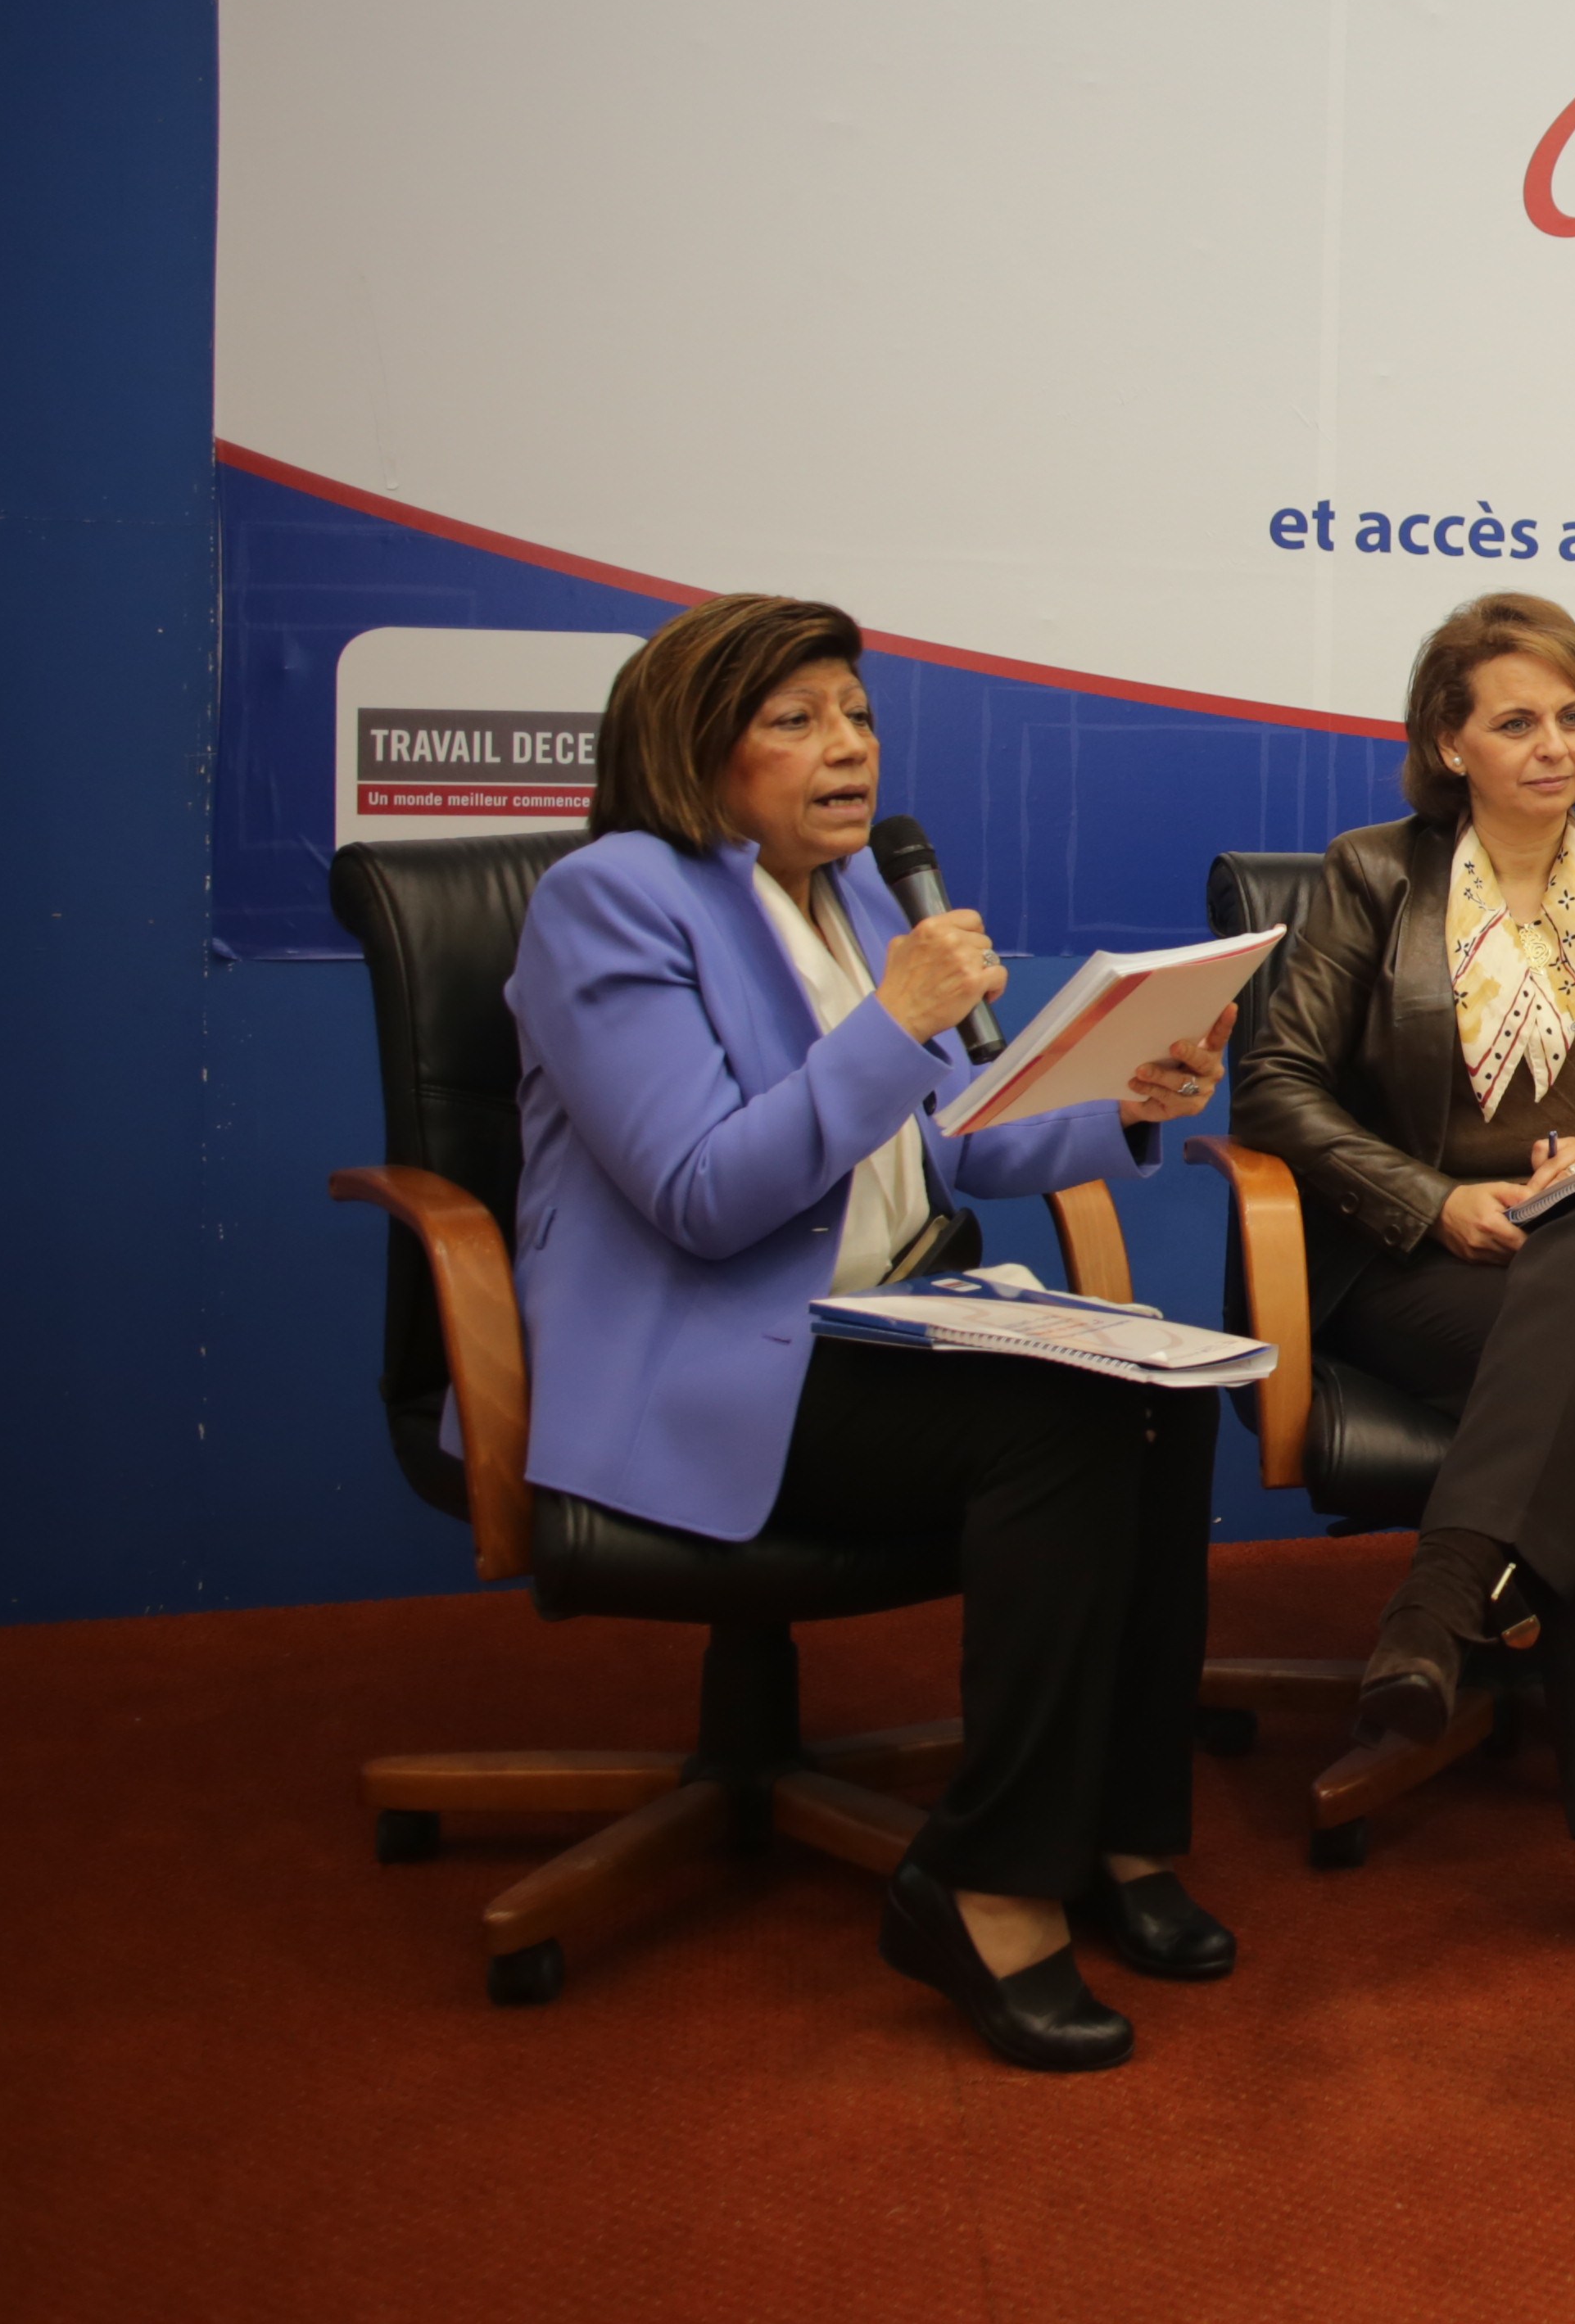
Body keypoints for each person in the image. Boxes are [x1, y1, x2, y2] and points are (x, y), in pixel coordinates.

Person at [508, 595, 1232, 2076]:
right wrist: (894, 1024)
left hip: (892, 1315)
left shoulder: (859, 896)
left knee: (1167, 1392)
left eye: (856, 714)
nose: (847, 747)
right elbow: (705, 1196)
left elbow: (961, 1141)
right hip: (716, 1357)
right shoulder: (612, 898)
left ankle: (1120, 1830)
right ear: (695, 748)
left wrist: (1122, 1104)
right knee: (1061, 1420)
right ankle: (988, 1883)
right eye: (796, 720)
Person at [1225, 593, 1575, 1965]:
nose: (1554, 746)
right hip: (1428, 1268)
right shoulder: (1374, 874)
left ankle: (1442, 1596)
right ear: (1447, 742)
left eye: (1573, 717)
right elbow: (1275, 1080)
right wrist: (1432, 1199)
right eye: (1516, 721)